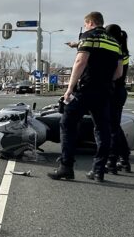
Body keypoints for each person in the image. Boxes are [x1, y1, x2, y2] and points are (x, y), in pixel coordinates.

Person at [49, 11, 123, 182]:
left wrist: (69, 88)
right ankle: (98, 171)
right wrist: (104, 80)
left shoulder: (88, 36)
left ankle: (66, 167)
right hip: (104, 92)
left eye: (85, 24)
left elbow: (80, 62)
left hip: (85, 89)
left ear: (90, 22)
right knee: (102, 129)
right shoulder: (114, 42)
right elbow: (118, 72)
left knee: (67, 123)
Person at [104, 24, 132, 174]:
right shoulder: (122, 49)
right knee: (115, 127)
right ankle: (124, 158)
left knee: (112, 128)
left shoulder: (116, 51)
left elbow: (115, 72)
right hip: (119, 91)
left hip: (114, 91)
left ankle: (112, 161)